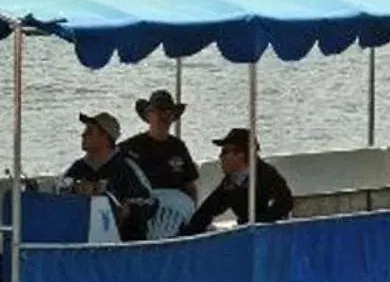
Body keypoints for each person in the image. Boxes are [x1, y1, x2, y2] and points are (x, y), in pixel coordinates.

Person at [182, 127, 294, 234]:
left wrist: (252, 224)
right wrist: (186, 235)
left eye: (224, 152)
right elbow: (209, 209)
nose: (220, 157)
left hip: (270, 235)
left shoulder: (267, 175)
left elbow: (284, 204)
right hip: (246, 232)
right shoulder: (232, 180)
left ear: (241, 154)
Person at [120, 88, 200, 237]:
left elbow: (190, 186)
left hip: (175, 210)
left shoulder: (178, 147)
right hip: (142, 209)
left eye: (168, 112)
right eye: (158, 111)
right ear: (148, 115)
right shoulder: (130, 147)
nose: (163, 116)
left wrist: (193, 214)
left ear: (173, 117)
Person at [62, 111, 153, 241]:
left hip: (124, 244)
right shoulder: (77, 168)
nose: (82, 135)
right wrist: (75, 190)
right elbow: (60, 197)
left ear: (105, 136)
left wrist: (129, 210)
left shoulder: (126, 167)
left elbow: (150, 202)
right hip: (83, 240)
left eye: (89, 131)